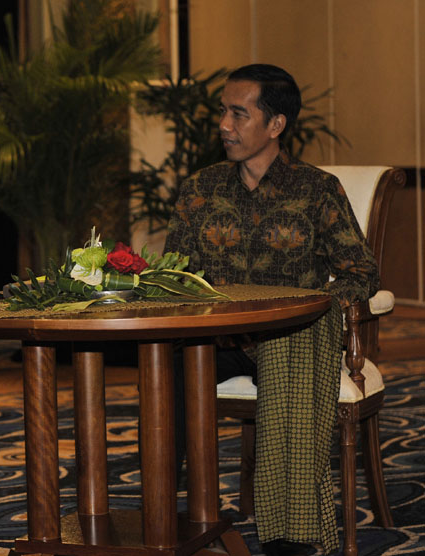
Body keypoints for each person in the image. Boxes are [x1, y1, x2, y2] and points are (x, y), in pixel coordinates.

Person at [164, 64, 379, 556]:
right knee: (164, 369)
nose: (224, 124)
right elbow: (176, 272)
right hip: (215, 340)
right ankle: (167, 517)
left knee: (290, 367)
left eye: (239, 114)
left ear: (276, 124)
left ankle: (290, 535)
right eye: (223, 111)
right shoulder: (201, 190)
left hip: (288, 339)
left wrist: (317, 310)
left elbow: (361, 272)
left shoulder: (317, 190)